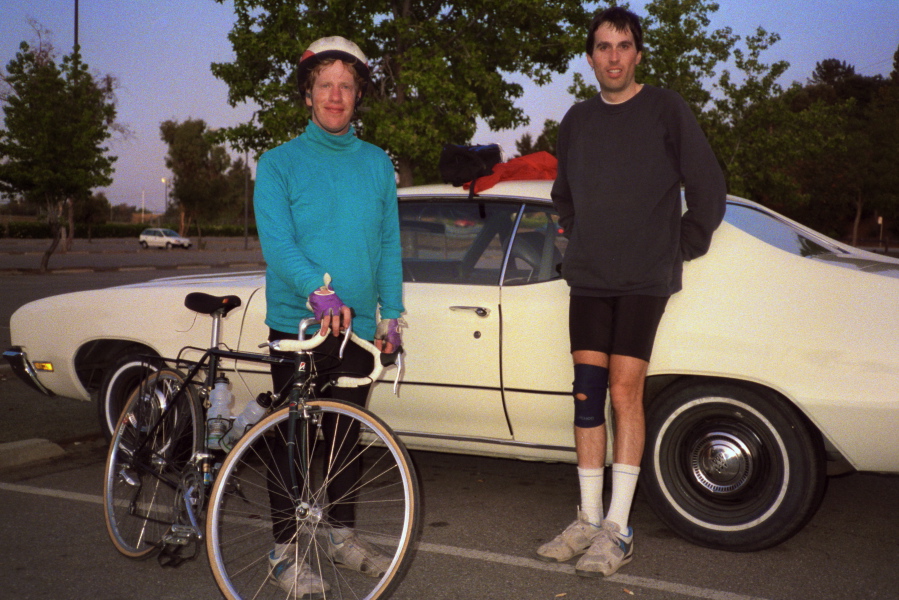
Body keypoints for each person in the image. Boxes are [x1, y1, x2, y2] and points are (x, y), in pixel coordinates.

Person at [538, 7, 726, 577]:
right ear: (590, 56)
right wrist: (577, 237)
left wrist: (678, 248)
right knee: (587, 393)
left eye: (623, 46)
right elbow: (562, 195)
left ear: (638, 53)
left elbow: (709, 188)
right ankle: (588, 519)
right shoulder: (576, 119)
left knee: (625, 394)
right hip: (590, 278)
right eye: (603, 47)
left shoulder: (666, 108)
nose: (613, 56)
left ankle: (618, 529)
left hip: (644, 280)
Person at [253, 35, 405, 596]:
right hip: (300, 325)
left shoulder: (376, 166)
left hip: (358, 328)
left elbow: (388, 245)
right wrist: (320, 293)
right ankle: (285, 550)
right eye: (325, 86)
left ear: (358, 94)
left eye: (346, 86)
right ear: (308, 95)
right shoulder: (278, 164)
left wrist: (393, 316)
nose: (335, 96)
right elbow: (279, 243)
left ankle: (341, 536)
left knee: (345, 436)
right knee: (292, 440)